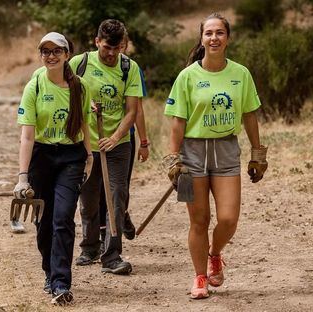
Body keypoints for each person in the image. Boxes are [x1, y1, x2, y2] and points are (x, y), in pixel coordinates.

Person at [164, 13, 268, 299]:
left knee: (228, 218)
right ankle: (200, 278)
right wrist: (174, 160)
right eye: (208, 33)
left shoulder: (240, 74)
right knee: (198, 220)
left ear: (228, 38)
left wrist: (257, 154)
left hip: (226, 150)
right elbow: (177, 123)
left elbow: (249, 114)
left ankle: (215, 253)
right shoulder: (187, 77)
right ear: (201, 38)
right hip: (191, 154)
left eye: (219, 32)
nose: (214, 38)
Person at [14, 32, 93, 305]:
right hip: (42, 156)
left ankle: (61, 282)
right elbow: (27, 136)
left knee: (63, 219)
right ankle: (49, 272)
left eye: (56, 51)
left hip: (71, 156)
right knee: (44, 221)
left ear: (67, 54)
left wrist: (89, 154)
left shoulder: (80, 87)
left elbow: (83, 123)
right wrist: (22, 177)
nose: (50, 56)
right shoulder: (34, 87)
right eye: (45, 51)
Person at [69, 19, 144, 274]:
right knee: (88, 198)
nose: (111, 54)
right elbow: (64, 94)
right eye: (106, 48)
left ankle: (112, 255)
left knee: (116, 196)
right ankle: (90, 247)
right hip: (87, 143)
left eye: (116, 48)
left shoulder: (129, 67)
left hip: (118, 144)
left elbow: (132, 110)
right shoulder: (79, 64)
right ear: (97, 41)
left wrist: (115, 138)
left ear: (122, 45)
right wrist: (82, 104)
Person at [98, 33, 150, 252]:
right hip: (97, 138)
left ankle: (121, 216)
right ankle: (104, 235)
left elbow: (137, 110)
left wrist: (144, 141)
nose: (115, 51)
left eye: (120, 46)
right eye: (111, 46)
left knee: (119, 189)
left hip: (123, 140)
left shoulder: (131, 70)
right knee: (100, 189)